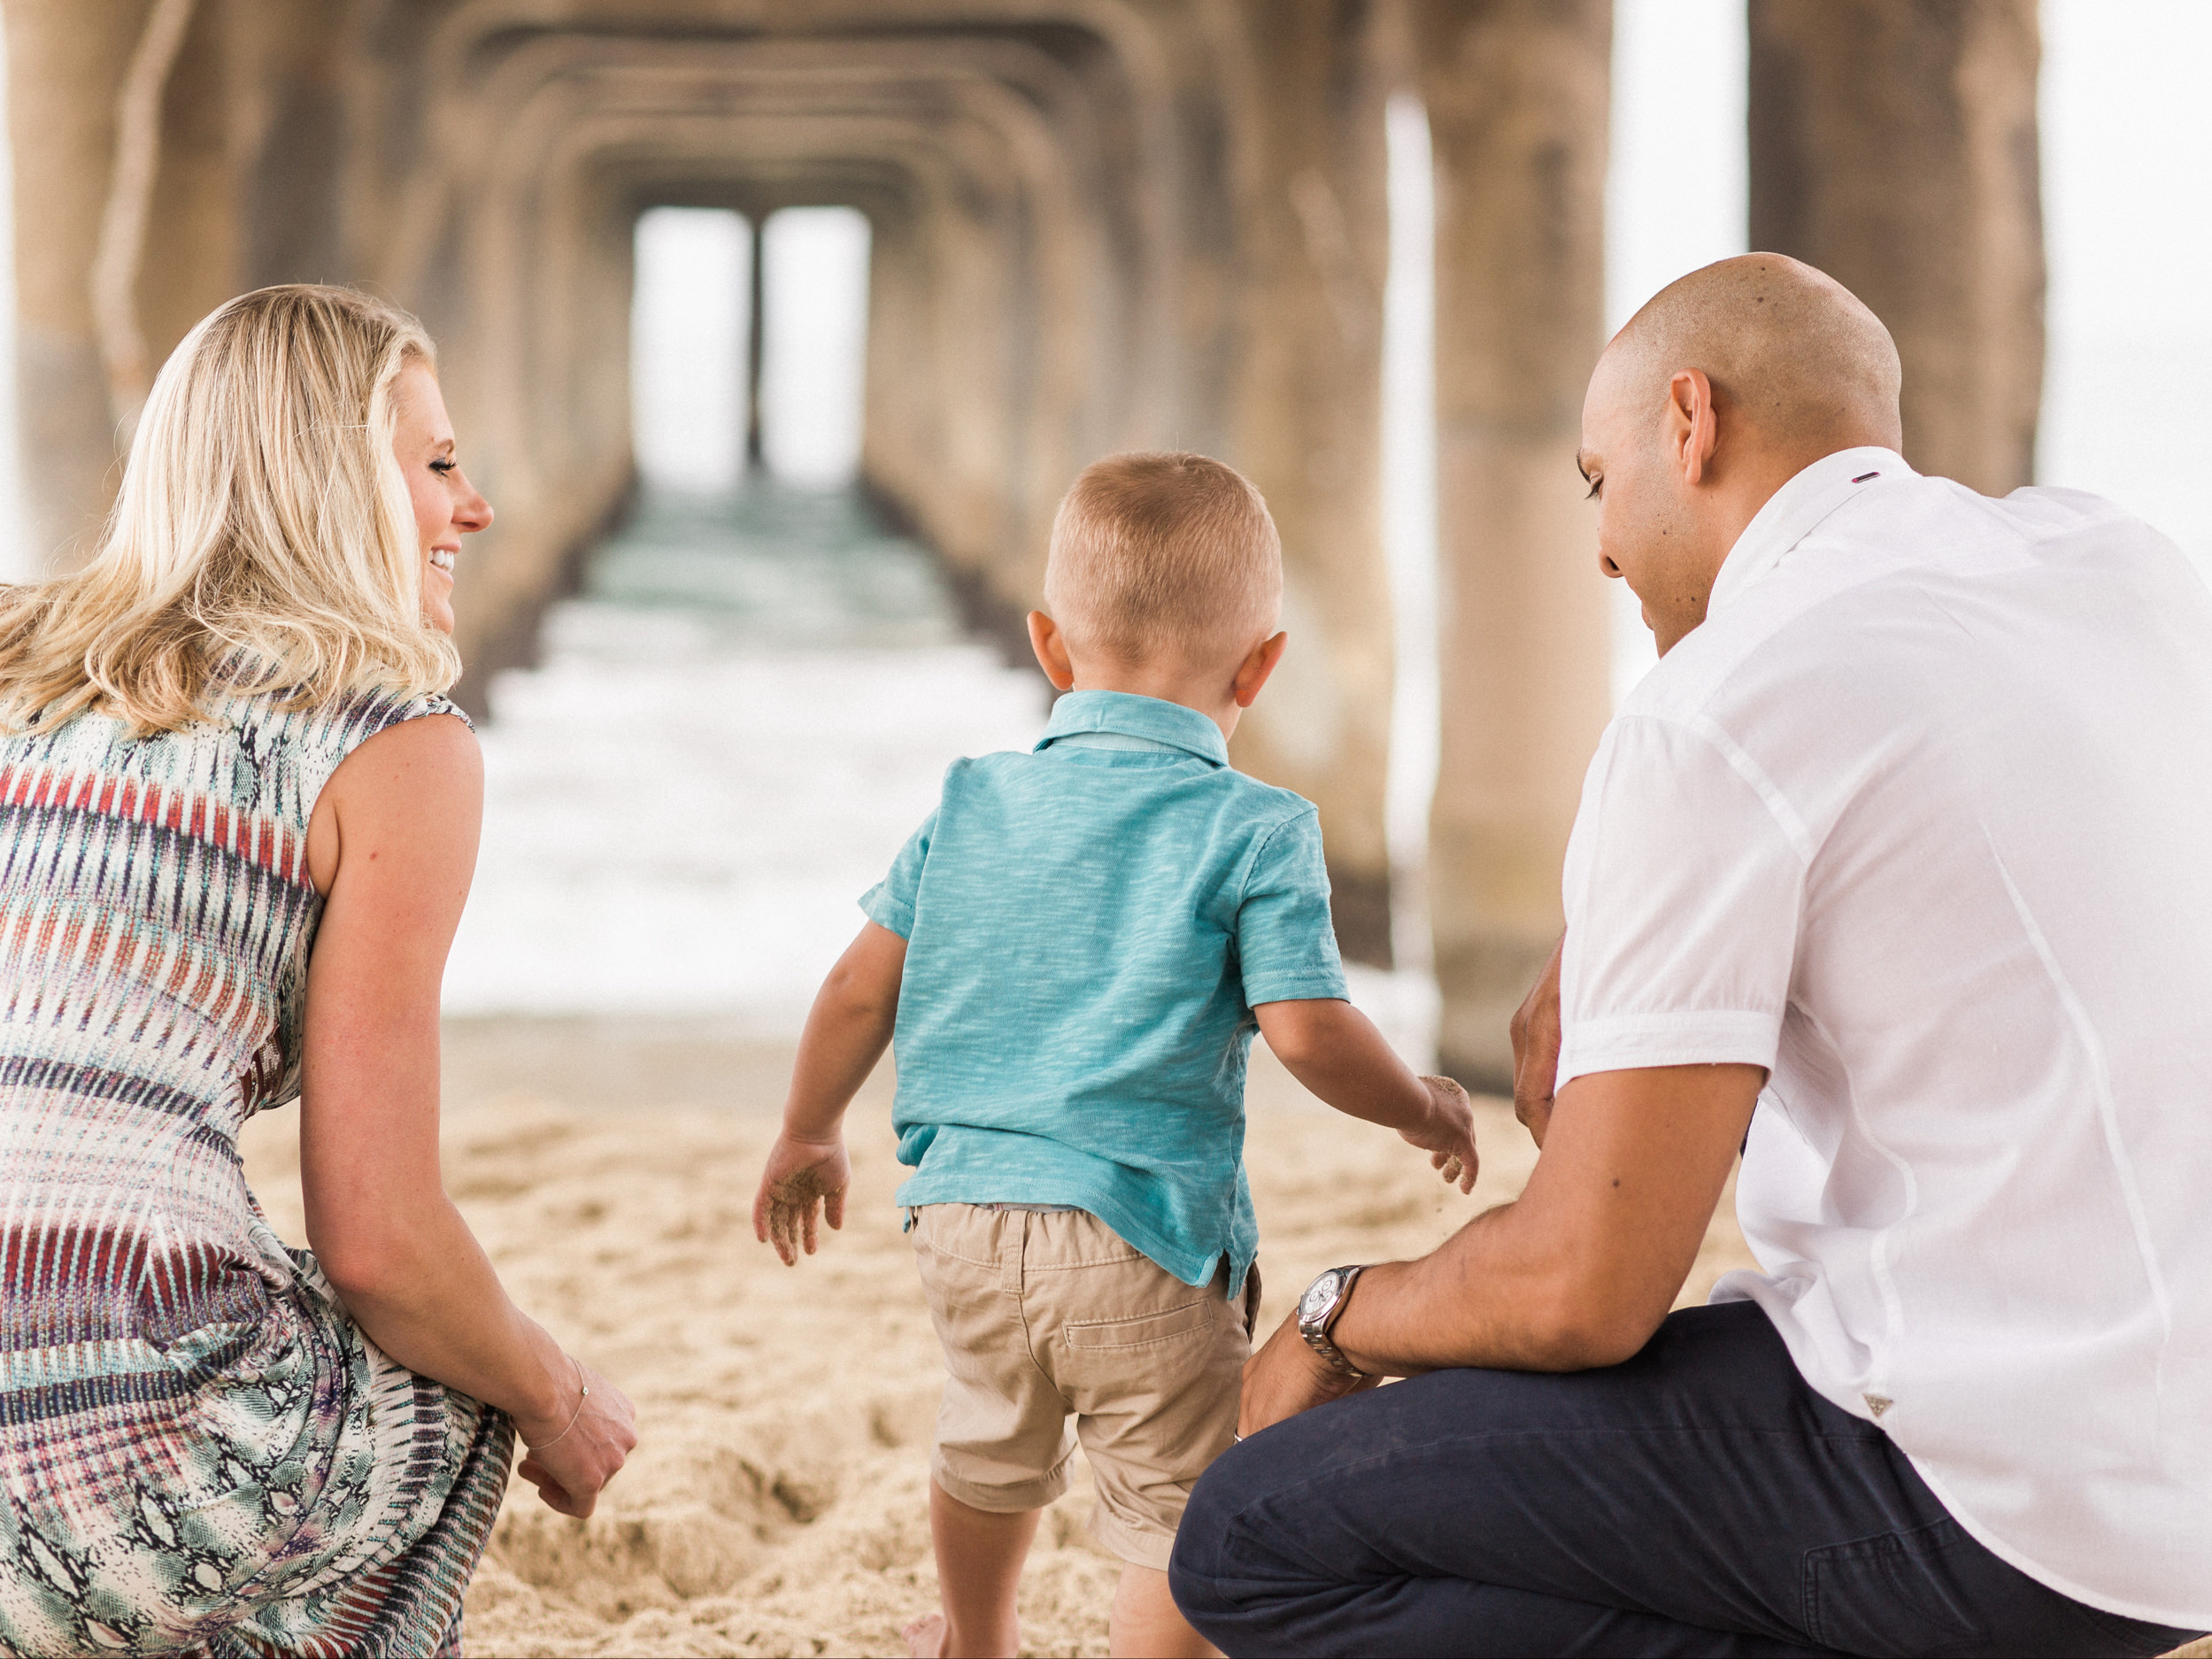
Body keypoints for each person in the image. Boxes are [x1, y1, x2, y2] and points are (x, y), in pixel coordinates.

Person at [1168, 256, 2212, 1658]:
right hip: (2181, 1471)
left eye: (1599, 484)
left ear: (1689, 423)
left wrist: (1338, 1314)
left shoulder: (1715, 707)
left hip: (2015, 1512)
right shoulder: (2117, 563)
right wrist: (1603, 919)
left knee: (1253, 1533)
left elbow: (1583, 1291)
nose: (1598, 553)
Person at [750, 451, 1479, 1659]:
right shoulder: (1258, 827)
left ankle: (978, 1639)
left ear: (1048, 645)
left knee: (986, 1445)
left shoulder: (971, 799)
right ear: (1263, 663)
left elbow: (854, 986)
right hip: (1143, 1235)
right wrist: (1417, 1103)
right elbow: (1306, 1028)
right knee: (1175, 1497)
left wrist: (809, 1127)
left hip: (964, 1219)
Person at [0, 285, 636, 1656]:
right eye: (440, 462)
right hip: (104, 1459)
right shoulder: (391, 745)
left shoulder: (13, 667)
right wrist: (558, 1395)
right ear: (335, 477)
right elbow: (384, 1241)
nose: (476, 508)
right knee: (450, 1374)